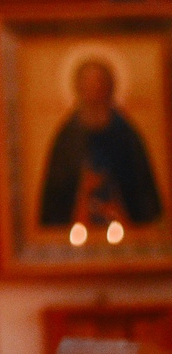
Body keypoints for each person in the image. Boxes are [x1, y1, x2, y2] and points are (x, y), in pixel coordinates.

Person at [37, 54, 166, 230]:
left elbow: (141, 188)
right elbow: (56, 194)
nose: (94, 89)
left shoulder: (124, 132)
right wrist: (83, 185)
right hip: (78, 223)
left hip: (122, 222)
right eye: (88, 84)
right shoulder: (68, 135)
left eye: (99, 83)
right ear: (79, 88)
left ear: (109, 87)